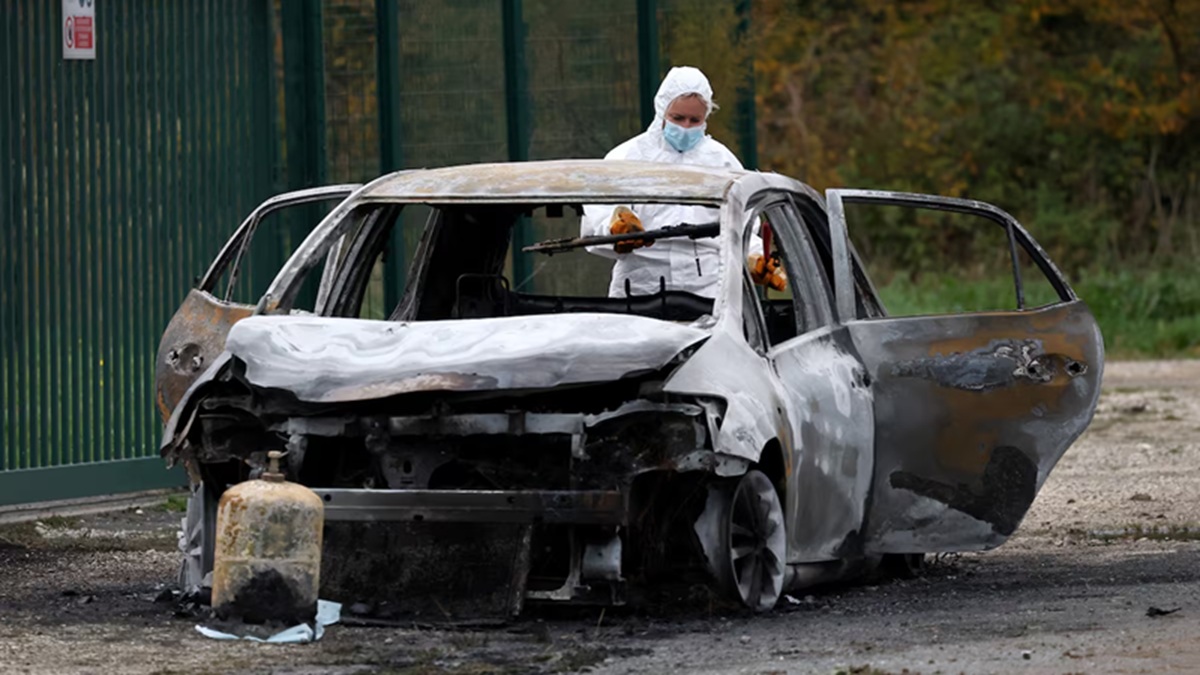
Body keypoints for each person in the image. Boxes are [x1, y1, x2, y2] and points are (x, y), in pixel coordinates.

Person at [582, 66, 784, 298]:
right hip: (640, 289)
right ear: (661, 111)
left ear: (705, 118)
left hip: (708, 291)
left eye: (694, 120)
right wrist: (614, 230)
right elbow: (597, 215)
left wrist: (755, 258)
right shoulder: (627, 158)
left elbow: (742, 225)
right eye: (677, 118)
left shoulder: (722, 162)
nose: (686, 127)